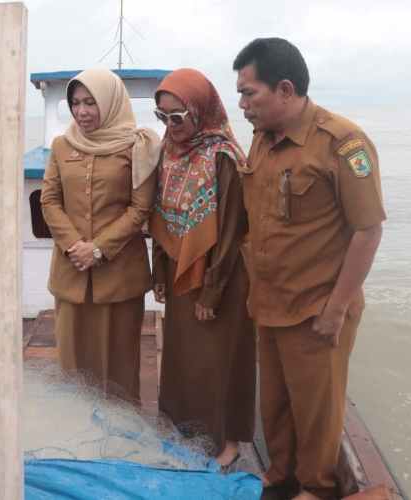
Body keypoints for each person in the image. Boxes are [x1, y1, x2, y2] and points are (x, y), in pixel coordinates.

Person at [233, 38, 386, 500]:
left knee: (317, 410)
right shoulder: (261, 141)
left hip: (316, 309)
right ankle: (280, 476)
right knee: (276, 405)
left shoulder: (342, 144)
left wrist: (337, 308)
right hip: (270, 302)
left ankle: (316, 488)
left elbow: (368, 231)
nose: (241, 104)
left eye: (248, 93)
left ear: (284, 89)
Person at [148, 68, 255, 470]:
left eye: (178, 117)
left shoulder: (223, 156)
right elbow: (158, 215)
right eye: (163, 117)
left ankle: (227, 441)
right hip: (179, 273)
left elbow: (230, 231)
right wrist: (159, 272)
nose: (170, 126)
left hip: (218, 275)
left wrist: (212, 292)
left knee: (219, 359)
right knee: (182, 355)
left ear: (201, 111)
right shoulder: (168, 151)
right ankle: (187, 428)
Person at [40, 68, 160, 402]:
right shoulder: (62, 146)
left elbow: (140, 209)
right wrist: (74, 246)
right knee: (73, 364)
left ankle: (121, 439)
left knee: (119, 366)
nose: (82, 111)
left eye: (90, 102)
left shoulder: (138, 146)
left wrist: (98, 249)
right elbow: (49, 200)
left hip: (119, 274)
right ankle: (78, 434)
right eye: (76, 103)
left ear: (110, 103)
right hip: (71, 271)